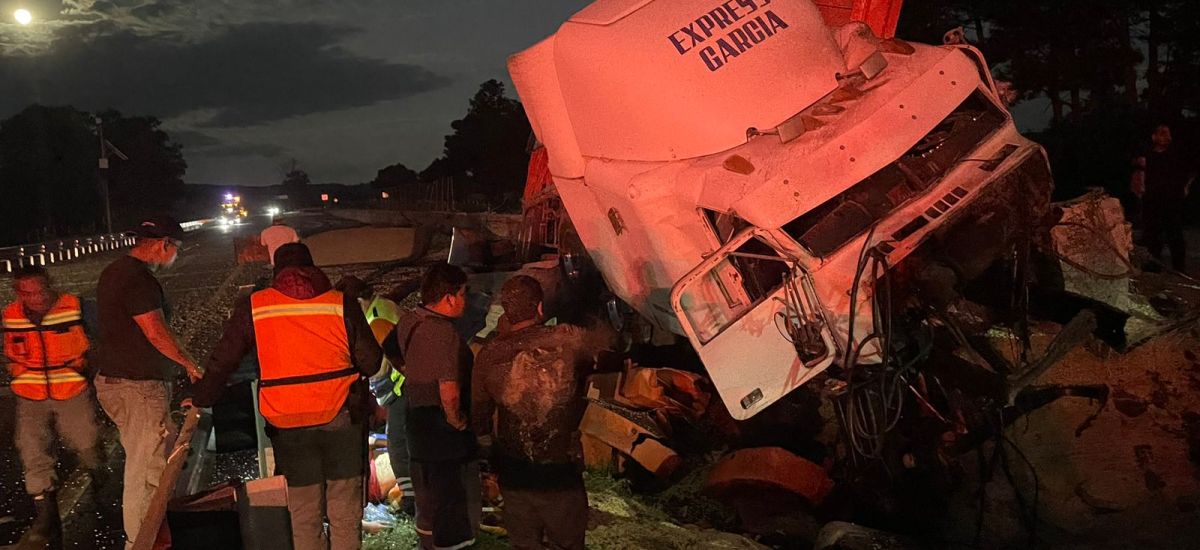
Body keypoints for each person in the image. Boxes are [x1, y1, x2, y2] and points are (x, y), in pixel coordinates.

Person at [189, 243, 382, 550]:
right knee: (343, 510)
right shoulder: (340, 303)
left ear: (276, 273)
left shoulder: (255, 306)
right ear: (314, 270)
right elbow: (371, 362)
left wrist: (202, 397)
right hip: (341, 419)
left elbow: (224, 360)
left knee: (304, 513)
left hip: (288, 424)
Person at [471, 275, 606, 550]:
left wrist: (490, 458)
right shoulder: (568, 341)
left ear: (505, 311)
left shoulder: (489, 355)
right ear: (540, 308)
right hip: (561, 477)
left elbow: (479, 416)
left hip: (515, 476)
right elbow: (609, 344)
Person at [94, 215, 201, 550]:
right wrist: (189, 364)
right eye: (175, 249)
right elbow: (155, 332)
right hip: (136, 386)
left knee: (150, 456)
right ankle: (141, 540)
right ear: (162, 245)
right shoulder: (137, 280)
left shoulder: (115, 271)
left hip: (117, 381)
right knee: (146, 468)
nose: (175, 256)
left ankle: (153, 532)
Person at [3, 266, 100, 549]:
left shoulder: (76, 306)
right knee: (32, 450)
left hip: (71, 388)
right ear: (18, 293)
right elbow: (10, 349)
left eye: (41, 290)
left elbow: (104, 336)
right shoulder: (10, 315)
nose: (37, 298)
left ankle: (97, 474)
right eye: (28, 293)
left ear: (50, 284)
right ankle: (47, 520)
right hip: (30, 394)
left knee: (86, 443)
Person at [395, 263, 479, 550]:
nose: (465, 301)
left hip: (416, 420)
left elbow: (390, 348)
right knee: (450, 497)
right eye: (463, 293)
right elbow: (449, 389)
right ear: (449, 297)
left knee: (426, 494)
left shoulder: (410, 320)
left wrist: (415, 373)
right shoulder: (443, 333)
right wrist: (457, 420)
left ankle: (427, 544)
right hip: (441, 429)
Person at [1132, 123, 1197, 272]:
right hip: (1152, 200)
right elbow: (1137, 176)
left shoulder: (1176, 155)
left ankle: (1179, 268)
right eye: (1162, 133)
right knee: (1152, 235)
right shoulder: (1147, 156)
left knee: (1175, 234)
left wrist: (1186, 187)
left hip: (1172, 200)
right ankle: (1153, 267)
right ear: (1154, 136)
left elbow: (1192, 171)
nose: (1166, 137)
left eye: (1168, 134)